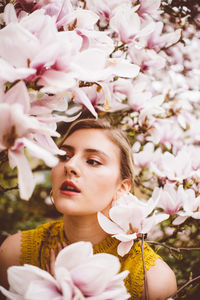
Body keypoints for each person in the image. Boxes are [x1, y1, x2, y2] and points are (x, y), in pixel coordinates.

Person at [0, 118, 177, 299]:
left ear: (122, 188)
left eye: (92, 161)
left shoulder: (152, 282)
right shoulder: (15, 254)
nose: (70, 166)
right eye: (64, 156)